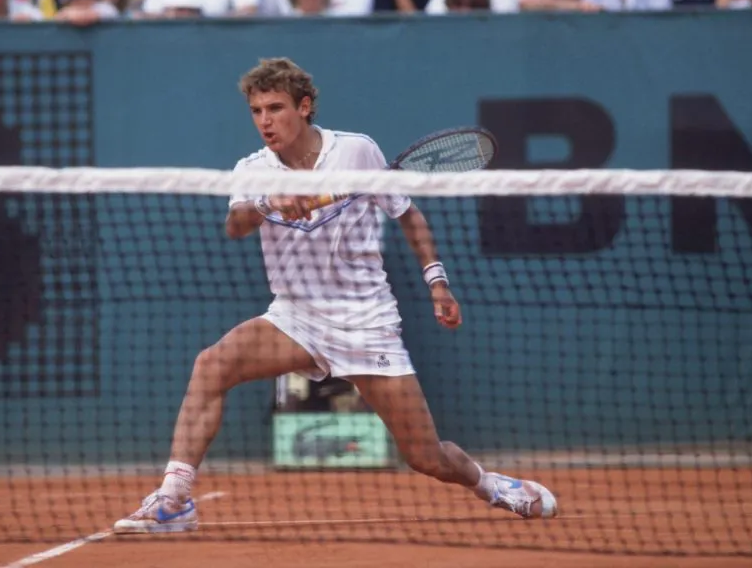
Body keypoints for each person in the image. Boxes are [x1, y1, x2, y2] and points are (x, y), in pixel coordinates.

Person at [113, 57, 559, 534]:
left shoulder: (358, 152)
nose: (265, 120)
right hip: (294, 318)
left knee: (426, 457)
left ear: (304, 108)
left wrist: (437, 281)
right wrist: (270, 201)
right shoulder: (252, 170)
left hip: (366, 321)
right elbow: (236, 224)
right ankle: (175, 499)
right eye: (257, 110)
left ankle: (489, 485)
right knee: (212, 364)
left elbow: (408, 215)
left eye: (276, 108)